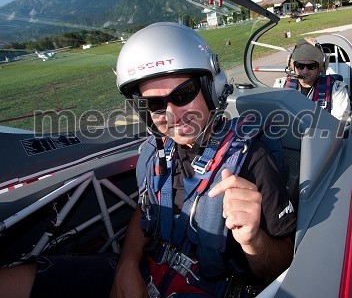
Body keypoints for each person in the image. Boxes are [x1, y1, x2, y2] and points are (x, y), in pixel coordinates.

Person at [0, 23, 296, 298]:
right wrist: (127, 264)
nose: (172, 115)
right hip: (148, 270)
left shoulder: (251, 161)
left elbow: (284, 262)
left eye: (184, 94)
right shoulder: (158, 153)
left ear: (210, 88)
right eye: (154, 104)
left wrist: (253, 239)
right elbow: (145, 209)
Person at [273, 37, 350, 121]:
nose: (305, 71)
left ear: (321, 67)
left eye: (311, 66)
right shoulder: (280, 86)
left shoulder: (337, 90)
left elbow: (341, 123)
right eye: (300, 66)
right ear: (292, 66)